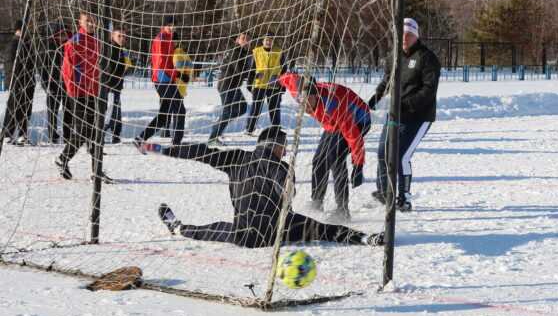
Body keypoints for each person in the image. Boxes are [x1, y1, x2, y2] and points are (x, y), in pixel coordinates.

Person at [139, 126, 380, 248]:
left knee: (212, 229)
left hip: (242, 235)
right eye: (283, 147)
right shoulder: (281, 166)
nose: (285, 151)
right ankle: (366, 239)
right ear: (277, 146)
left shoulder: (236, 158)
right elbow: (285, 192)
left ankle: (178, 228)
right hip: (275, 233)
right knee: (323, 229)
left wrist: (163, 149)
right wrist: (287, 186)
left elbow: (200, 153)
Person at [368, 18, 440, 212]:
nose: (404, 39)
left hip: (419, 116)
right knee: (383, 152)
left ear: (416, 36)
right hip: (396, 113)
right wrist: (375, 98)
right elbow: (387, 80)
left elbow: (428, 90)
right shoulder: (393, 56)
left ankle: (404, 198)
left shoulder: (427, 58)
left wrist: (405, 104)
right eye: (401, 35)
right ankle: (384, 193)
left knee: (401, 156)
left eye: (409, 35)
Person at [279, 72, 371, 219]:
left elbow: (354, 137)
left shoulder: (332, 105)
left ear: (315, 96)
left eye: (308, 102)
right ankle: (317, 201)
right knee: (319, 159)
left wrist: (358, 165)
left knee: (335, 158)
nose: (305, 106)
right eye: (302, 103)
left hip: (359, 119)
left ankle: (342, 210)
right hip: (332, 123)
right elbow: (289, 78)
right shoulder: (299, 93)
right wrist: (276, 80)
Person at [56, 12, 112, 181]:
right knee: (82, 132)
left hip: (94, 93)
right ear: (80, 22)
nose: (91, 24)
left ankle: (97, 171)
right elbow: (67, 72)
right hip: (79, 94)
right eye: (87, 21)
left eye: (93, 21)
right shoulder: (74, 42)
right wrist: (74, 92)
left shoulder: (96, 41)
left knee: (96, 131)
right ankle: (62, 159)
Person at [135, 17, 186, 147]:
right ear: (163, 26)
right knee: (180, 110)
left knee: (164, 116)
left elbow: (170, 61)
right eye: (169, 25)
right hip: (163, 79)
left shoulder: (169, 39)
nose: (172, 27)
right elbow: (162, 63)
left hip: (166, 79)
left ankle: (140, 138)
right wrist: (178, 74)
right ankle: (177, 143)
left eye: (174, 25)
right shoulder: (161, 39)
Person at [208, 32, 253, 145]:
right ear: (237, 40)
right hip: (227, 85)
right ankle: (212, 138)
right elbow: (240, 69)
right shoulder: (236, 51)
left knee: (242, 108)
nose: (246, 41)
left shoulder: (242, 52)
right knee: (227, 111)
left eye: (248, 39)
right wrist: (255, 73)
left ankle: (218, 126)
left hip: (234, 86)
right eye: (243, 38)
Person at [246, 35, 287, 135]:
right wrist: (249, 83)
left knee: (274, 108)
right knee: (256, 107)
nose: (268, 42)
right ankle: (249, 129)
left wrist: (283, 85)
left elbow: (284, 69)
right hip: (259, 84)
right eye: (266, 40)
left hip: (274, 84)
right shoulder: (256, 51)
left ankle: (276, 129)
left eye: (270, 40)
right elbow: (251, 69)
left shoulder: (279, 52)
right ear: (262, 41)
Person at [2, 24, 35, 145]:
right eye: (25, 29)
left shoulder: (27, 43)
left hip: (28, 82)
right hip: (17, 83)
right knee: (14, 108)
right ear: (19, 30)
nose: (28, 32)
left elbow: (31, 63)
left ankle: (22, 134)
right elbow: (10, 65)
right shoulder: (13, 44)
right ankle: (7, 134)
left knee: (25, 109)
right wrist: (15, 81)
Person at [100, 28, 132, 144]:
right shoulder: (109, 49)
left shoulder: (121, 50)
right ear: (112, 36)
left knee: (116, 110)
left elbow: (123, 68)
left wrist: (126, 69)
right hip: (110, 87)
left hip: (117, 86)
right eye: (119, 36)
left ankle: (116, 135)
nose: (122, 39)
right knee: (110, 111)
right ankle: (99, 135)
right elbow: (107, 69)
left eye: (124, 36)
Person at [44, 23, 69, 144]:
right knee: (52, 110)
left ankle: (67, 134)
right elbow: (43, 67)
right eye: (60, 35)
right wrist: (46, 85)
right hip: (53, 84)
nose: (63, 37)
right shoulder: (49, 47)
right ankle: (52, 135)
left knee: (68, 110)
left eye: (64, 34)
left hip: (67, 84)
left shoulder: (69, 45)